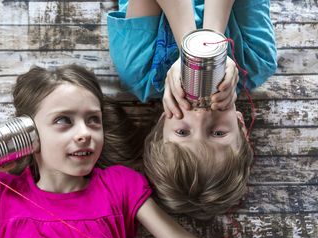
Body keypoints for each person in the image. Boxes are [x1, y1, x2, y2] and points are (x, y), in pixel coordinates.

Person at [0, 65, 230, 238]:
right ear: (26, 132)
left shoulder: (119, 186)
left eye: (93, 121)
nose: (85, 134)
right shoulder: (0, 195)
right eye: (63, 121)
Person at [107, 0, 276, 219]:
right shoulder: (256, 61)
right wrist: (213, 49)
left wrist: (190, 54)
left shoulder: (140, 71)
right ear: (241, 126)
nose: (200, 116)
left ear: (161, 122)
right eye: (218, 133)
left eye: (182, 132)